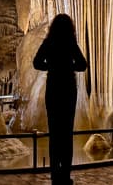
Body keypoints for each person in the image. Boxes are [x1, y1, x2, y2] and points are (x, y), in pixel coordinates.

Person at [33, 13, 88, 185]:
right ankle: (65, 174)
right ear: (69, 28)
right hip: (68, 89)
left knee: (54, 134)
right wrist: (68, 66)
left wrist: (52, 66)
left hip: (54, 88)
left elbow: (36, 63)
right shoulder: (70, 43)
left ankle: (55, 174)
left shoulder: (49, 42)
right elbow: (82, 65)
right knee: (67, 134)